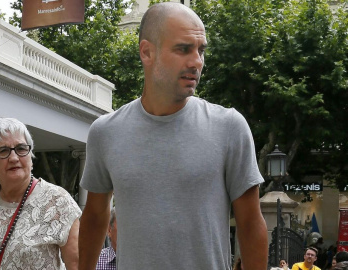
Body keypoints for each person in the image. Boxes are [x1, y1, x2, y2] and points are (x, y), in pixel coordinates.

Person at [78, 2, 268, 269]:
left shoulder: (229, 127)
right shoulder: (105, 132)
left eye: (201, 50)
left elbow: (250, 223)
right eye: (183, 49)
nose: (196, 62)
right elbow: (95, 216)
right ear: (147, 52)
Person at [0, 118, 81, 270]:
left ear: (30, 155)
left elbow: (78, 265)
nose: (14, 158)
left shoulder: (58, 201)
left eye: (21, 149)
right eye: (3, 151)